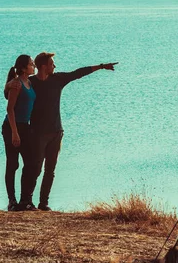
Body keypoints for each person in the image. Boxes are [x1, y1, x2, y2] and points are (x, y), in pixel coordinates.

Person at [7, 52, 117, 211]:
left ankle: (43, 203)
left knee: (50, 170)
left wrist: (101, 67)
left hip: (56, 132)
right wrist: (8, 85)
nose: (55, 66)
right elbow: (11, 93)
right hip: (37, 133)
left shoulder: (58, 79)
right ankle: (26, 201)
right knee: (34, 168)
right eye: (52, 63)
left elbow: (78, 73)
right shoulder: (30, 83)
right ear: (44, 66)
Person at [2, 55, 36, 211]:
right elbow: (10, 109)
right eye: (31, 63)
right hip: (12, 127)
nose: (34, 65)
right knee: (13, 164)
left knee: (30, 164)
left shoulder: (29, 82)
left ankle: (25, 200)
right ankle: (12, 201)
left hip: (25, 127)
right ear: (23, 68)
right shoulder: (16, 84)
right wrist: (15, 133)